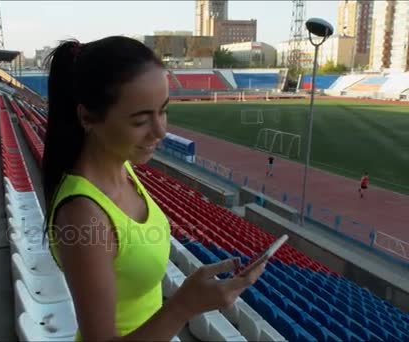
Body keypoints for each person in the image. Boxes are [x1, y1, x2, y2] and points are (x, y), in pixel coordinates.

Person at [41, 36, 266, 341]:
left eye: (163, 111)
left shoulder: (124, 169)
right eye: (140, 120)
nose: (161, 131)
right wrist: (183, 306)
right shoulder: (84, 215)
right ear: (87, 117)